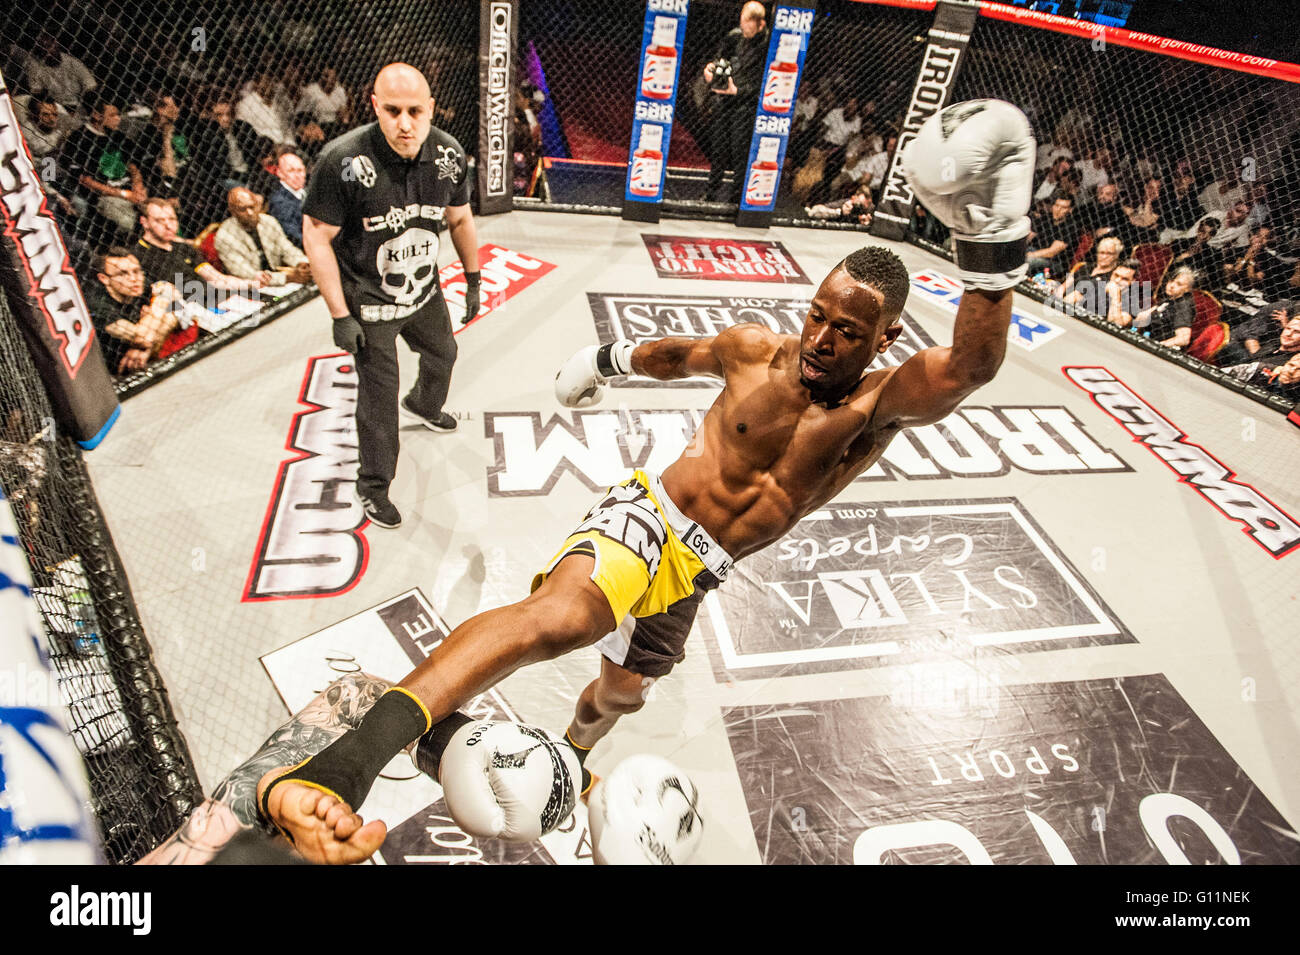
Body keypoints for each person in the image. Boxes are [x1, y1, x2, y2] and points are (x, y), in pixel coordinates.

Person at [257, 99, 1036, 863]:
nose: (822, 340)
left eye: (848, 331)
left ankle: (566, 756)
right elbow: (677, 355)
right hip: (649, 516)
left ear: (886, 337)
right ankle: (347, 763)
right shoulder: (758, 351)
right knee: (562, 618)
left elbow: (970, 364)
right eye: (818, 316)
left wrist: (992, 237)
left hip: (696, 571)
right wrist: (603, 362)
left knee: (618, 697)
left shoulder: (877, 408)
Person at [301, 62, 480, 529]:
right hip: (370, 301)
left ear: (431, 109)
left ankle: (423, 403)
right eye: (394, 111)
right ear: (375, 106)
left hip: (422, 291)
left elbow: (459, 219)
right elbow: (316, 237)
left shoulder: (448, 154)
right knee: (379, 398)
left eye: (415, 111)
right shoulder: (343, 161)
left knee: (444, 352)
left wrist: (474, 278)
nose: (405, 124)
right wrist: (340, 314)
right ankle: (373, 486)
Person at [702, 1, 768, 203]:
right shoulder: (735, 36)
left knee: (740, 152)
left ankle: (736, 197)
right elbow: (719, 59)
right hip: (725, 98)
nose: (744, 31)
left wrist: (738, 91)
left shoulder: (767, 46)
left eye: (749, 27)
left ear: (760, 25)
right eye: (742, 25)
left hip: (746, 104)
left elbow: (763, 82)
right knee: (718, 147)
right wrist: (710, 69)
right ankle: (711, 193)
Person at [84, 246, 181, 374]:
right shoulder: (97, 304)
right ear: (105, 279)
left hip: (140, 360)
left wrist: (143, 349)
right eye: (122, 274)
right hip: (114, 372)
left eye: (136, 271)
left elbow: (175, 301)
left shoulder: (140, 285)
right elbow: (143, 338)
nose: (134, 279)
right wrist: (159, 306)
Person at [214, 187, 312, 286]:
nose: (250, 213)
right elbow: (246, 274)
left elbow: (287, 249)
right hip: (250, 288)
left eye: (252, 207)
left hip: (280, 280)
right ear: (233, 211)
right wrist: (287, 278)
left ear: (258, 205)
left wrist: (301, 263)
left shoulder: (268, 222)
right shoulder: (224, 236)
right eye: (243, 209)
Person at [1132, 265, 1195, 348]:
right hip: (1147, 339)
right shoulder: (1170, 299)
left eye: (1179, 284)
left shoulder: (1183, 306)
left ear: (1187, 289)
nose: (1172, 285)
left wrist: (1157, 347)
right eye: (1171, 281)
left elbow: (1184, 339)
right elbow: (1142, 317)